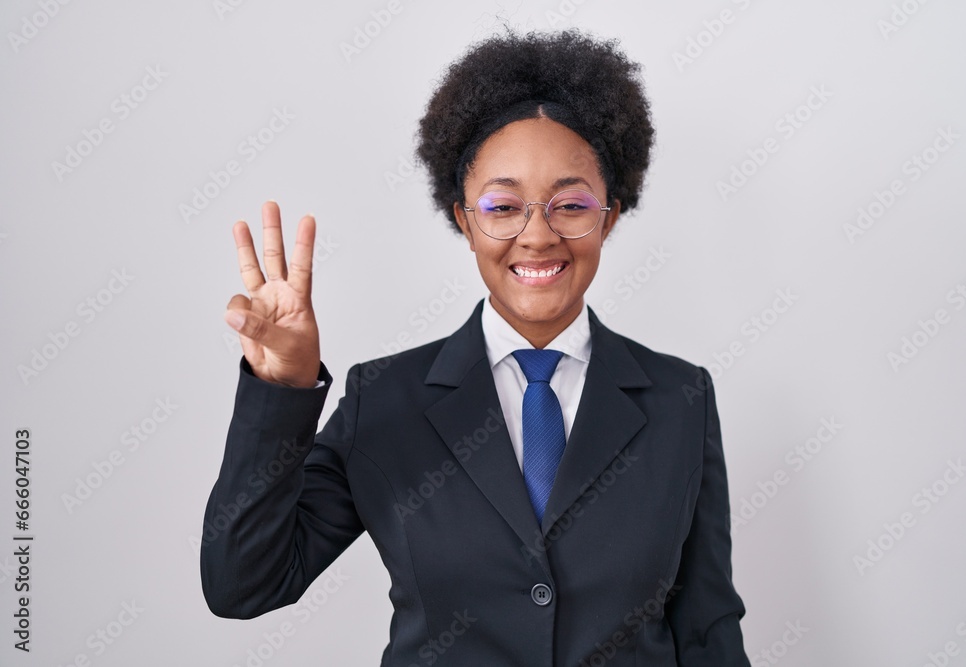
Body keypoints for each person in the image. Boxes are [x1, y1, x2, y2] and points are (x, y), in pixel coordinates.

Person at [201, 28, 751, 666]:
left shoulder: (680, 398)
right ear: (463, 219)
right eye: (502, 205)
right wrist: (283, 389)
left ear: (611, 215)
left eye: (570, 204)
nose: (537, 235)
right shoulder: (385, 399)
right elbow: (244, 584)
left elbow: (708, 628)